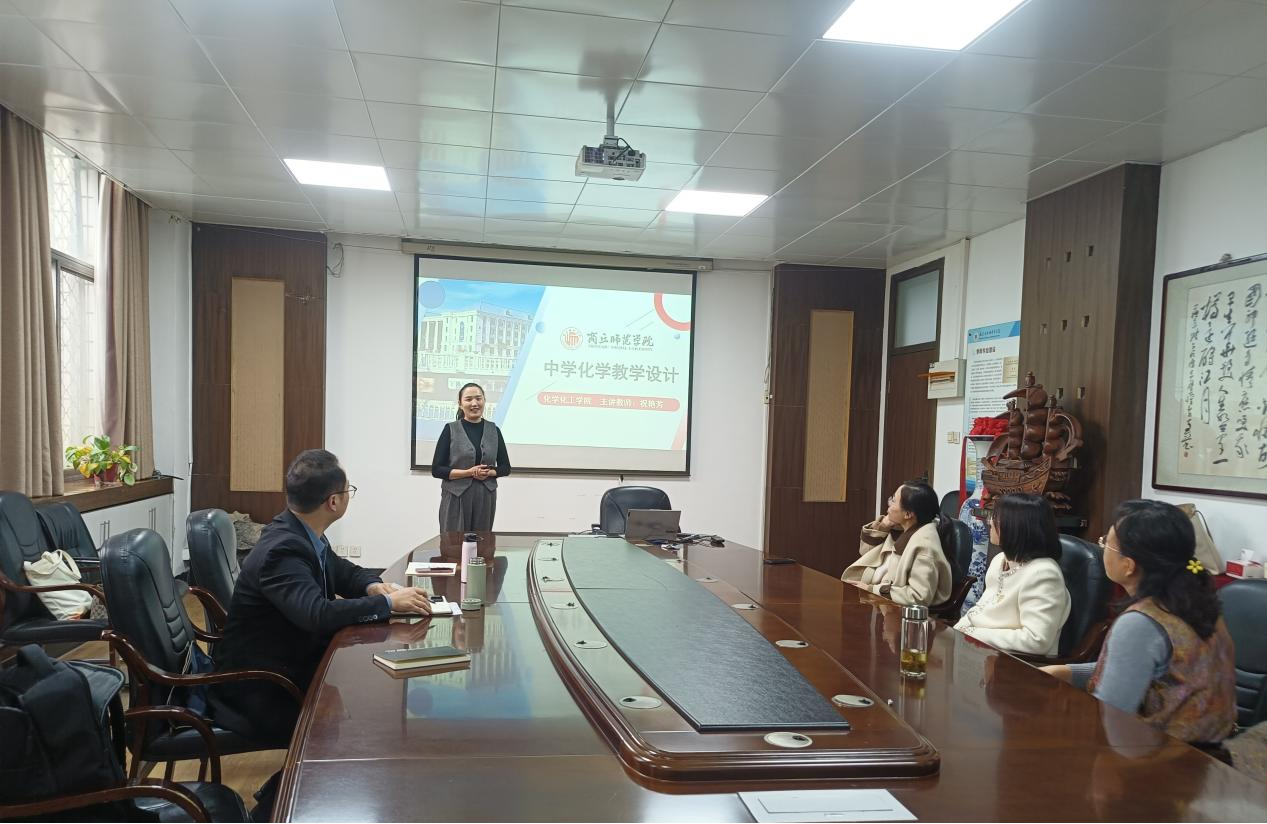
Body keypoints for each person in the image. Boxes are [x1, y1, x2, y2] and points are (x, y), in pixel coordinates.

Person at [209, 449, 432, 748]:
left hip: (290, 666)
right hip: (263, 690)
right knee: (369, 717)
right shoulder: (282, 551)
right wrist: (389, 604)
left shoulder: (300, 530)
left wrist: (373, 587)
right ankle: (298, 778)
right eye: (348, 490)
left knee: (368, 687)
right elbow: (318, 614)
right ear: (334, 502)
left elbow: (341, 570)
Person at [1042, 499, 1236, 747]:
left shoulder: (1140, 623)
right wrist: (1068, 672)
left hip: (1160, 760)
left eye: (1106, 543)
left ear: (1129, 565)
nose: (1102, 547)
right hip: (1210, 754)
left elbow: (1109, 722)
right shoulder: (1197, 601)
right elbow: (1140, 668)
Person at [955, 493, 1071, 656]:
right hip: (984, 653)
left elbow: (1036, 641)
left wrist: (973, 634)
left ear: (1016, 527)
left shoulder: (1044, 573)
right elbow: (981, 608)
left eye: (996, 518)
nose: (989, 522)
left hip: (1018, 663)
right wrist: (957, 631)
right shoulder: (1000, 560)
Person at [843, 480, 954, 607]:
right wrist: (882, 527)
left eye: (894, 501)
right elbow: (866, 554)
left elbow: (918, 597)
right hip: (876, 598)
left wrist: (871, 590)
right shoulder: (903, 527)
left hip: (892, 608)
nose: (889, 504)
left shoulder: (925, 546)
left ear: (908, 514)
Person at [431, 382, 512, 533]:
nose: (474, 403)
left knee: (482, 542)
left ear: (484, 401)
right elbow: (437, 470)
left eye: (478, 398)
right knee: (454, 542)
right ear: (460, 404)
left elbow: (505, 468)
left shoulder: (494, 430)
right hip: (456, 496)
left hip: (485, 496)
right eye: (468, 399)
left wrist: (488, 472)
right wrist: (469, 472)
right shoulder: (450, 429)